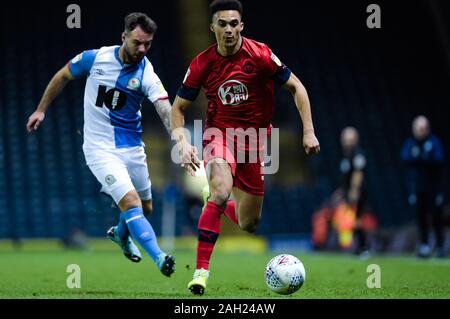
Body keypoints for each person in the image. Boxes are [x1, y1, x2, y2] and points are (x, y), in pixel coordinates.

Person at [171, 0, 320, 295]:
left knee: (248, 223)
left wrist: (309, 131)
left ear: (242, 26)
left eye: (233, 24)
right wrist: (182, 142)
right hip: (219, 136)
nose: (228, 30)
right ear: (212, 27)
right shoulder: (202, 63)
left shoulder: (261, 55)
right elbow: (178, 108)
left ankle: (212, 198)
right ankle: (200, 273)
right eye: (222, 24)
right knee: (220, 190)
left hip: (254, 143)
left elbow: (297, 88)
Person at [26, 12, 176, 276]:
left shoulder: (147, 72)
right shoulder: (94, 58)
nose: (142, 49)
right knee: (132, 203)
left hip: (132, 148)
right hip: (99, 148)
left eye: (148, 44)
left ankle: (120, 234)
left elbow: (164, 107)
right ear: (124, 36)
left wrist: (179, 138)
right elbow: (63, 75)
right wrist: (41, 110)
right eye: (137, 42)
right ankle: (161, 258)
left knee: (146, 208)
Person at [401, 115, 446, 258]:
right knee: (421, 218)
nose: (421, 131)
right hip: (418, 187)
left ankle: (439, 246)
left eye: (424, 128)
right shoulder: (410, 143)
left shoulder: (434, 142)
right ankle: (424, 246)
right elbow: (406, 158)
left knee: (437, 217)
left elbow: (438, 160)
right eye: (419, 128)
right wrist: (423, 157)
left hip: (434, 187)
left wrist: (421, 158)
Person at [339, 127, 370, 258]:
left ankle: (363, 248)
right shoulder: (347, 154)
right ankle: (358, 247)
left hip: (358, 193)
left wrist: (354, 190)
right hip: (349, 192)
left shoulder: (358, 154)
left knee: (357, 220)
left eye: (349, 139)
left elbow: (358, 173)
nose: (346, 142)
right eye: (345, 139)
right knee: (353, 220)